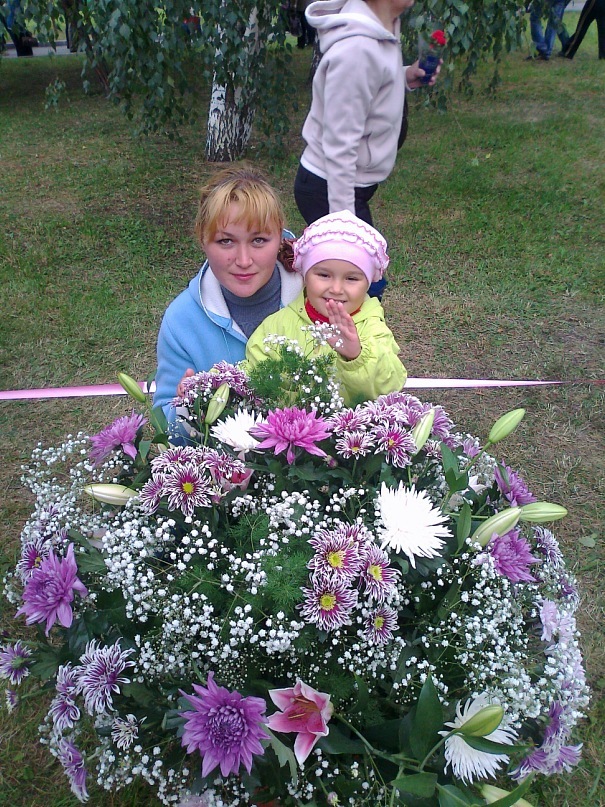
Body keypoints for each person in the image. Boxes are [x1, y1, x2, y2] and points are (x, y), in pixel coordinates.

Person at [293, 0, 439, 299]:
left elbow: (372, 83)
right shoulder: (357, 50)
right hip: (330, 185)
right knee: (359, 286)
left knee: (355, 285)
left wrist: (404, 76)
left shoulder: (379, 30)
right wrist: (345, 228)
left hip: (344, 184)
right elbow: (340, 144)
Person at [153, 166, 303, 424]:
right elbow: (163, 421)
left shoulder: (320, 295)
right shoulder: (181, 321)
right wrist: (188, 411)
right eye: (226, 241)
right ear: (202, 240)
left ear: (280, 236)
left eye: (258, 240)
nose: (244, 261)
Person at [245, 210, 407, 405]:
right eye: (324, 275)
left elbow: (390, 387)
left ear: (368, 283)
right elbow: (252, 378)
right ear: (304, 276)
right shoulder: (278, 325)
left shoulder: (372, 329)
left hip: (350, 424)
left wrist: (356, 356)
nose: (336, 289)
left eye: (351, 278)